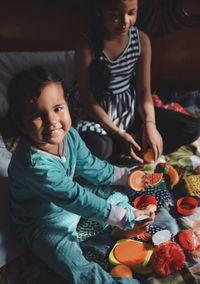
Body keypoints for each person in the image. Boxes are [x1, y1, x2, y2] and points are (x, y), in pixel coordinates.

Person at [5, 66, 155, 284]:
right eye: (38, 115)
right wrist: (124, 217)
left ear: (67, 106)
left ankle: (114, 229)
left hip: (73, 197)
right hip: (42, 221)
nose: (52, 121)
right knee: (67, 258)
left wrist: (127, 175)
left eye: (58, 108)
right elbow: (76, 198)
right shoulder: (34, 165)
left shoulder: (71, 135)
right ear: (20, 123)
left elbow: (93, 167)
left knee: (114, 194)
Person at [75, 0, 200, 163]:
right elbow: (88, 100)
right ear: (99, 11)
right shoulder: (86, 45)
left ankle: (131, 143)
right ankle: (124, 145)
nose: (125, 21)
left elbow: (144, 92)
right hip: (98, 118)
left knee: (192, 127)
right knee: (98, 148)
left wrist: (150, 125)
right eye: (115, 15)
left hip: (130, 111)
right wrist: (117, 133)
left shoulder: (141, 40)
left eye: (131, 13)